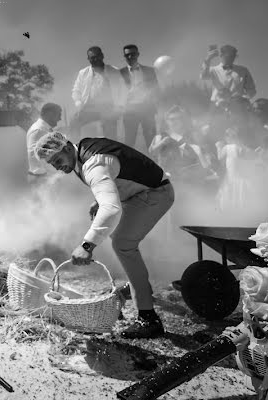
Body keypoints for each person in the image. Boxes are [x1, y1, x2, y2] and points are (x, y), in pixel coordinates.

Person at [35, 131, 174, 338]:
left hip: (155, 194)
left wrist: (86, 246)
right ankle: (137, 286)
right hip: (138, 193)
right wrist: (99, 201)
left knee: (122, 243)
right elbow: (115, 176)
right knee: (120, 238)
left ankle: (148, 318)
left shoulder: (93, 164)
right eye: (52, 164)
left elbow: (111, 209)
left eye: (57, 160)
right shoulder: (80, 150)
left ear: (65, 147)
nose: (57, 167)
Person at [71, 46, 123, 139]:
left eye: (97, 56)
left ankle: (111, 151)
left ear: (102, 56)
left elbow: (122, 89)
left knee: (111, 134)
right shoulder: (83, 73)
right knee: (74, 121)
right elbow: (76, 90)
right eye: (92, 58)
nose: (95, 59)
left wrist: (119, 106)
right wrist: (78, 102)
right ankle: (75, 147)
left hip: (108, 108)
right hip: (89, 108)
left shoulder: (114, 71)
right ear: (88, 59)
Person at [119, 44, 159, 149]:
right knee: (129, 141)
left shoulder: (150, 71)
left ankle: (155, 163)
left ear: (138, 54)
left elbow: (156, 89)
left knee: (152, 140)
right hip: (129, 111)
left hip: (147, 109)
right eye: (127, 55)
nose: (130, 57)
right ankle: (129, 164)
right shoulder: (119, 73)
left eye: (132, 54)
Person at [27, 103, 63, 177]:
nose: (60, 118)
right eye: (58, 115)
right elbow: (41, 158)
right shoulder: (39, 130)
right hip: (41, 178)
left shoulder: (43, 130)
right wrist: (59, 173)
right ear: (49, 114)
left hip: (43, 177)